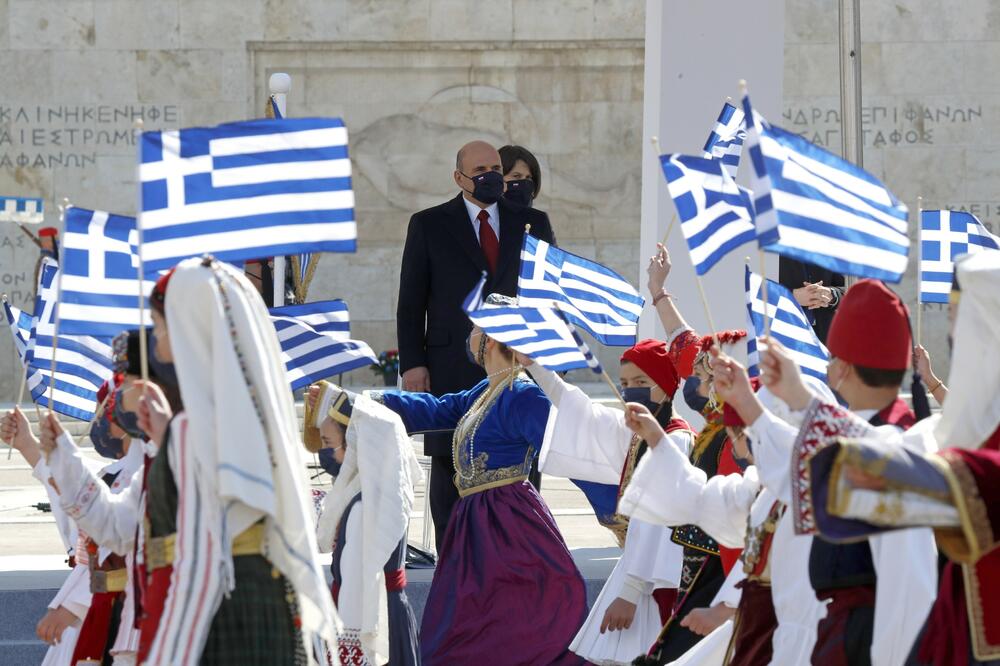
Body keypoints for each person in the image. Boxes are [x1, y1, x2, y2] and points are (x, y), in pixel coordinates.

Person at [33, 258, 339, 663]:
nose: (155, 345)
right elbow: (122, 528)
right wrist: (63, 460)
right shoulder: (203, 428)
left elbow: (199, 565)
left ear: (192, 333)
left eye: (162, 328)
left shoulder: (206, 431)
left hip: (223, 629)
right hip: (221, 619)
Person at [771, 250, 1000, 665]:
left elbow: (886, 473)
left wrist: (808, 405)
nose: (953, 338)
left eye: (956, 322)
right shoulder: (948, 432)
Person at [716, 279, 939, 666]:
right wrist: (748, 405)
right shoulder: (867, 441)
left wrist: (798, 398)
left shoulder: (905, 442)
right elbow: (806, 467)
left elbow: (858, 458)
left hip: (868, 647)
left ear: (840, 369)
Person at [375, 294, 587, 663]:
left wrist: (613, 504)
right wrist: (369, 403)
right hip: (472, 527)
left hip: (511, 529)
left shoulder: (522, 395)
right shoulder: (485, 391)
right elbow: (436, 409)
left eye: (475, 327)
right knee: (462, 628)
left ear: (493, 335)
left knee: (506, 626)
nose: (470, 334)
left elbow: (566, 452)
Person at [396, 140, 555, 550]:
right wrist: (413, 363)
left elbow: (549, 296)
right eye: (480, 169)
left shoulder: (532, 222)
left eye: (496, 168)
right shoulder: (429, 224)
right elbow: (411, 301)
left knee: (520, 459)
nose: (492, 176)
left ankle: (521, 552)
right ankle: (453, 556)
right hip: (450, 364)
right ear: (459, 177)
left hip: (515, 364)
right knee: (452, 460)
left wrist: (549, 356)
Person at [619, 378, 832, 666]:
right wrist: (656, 437)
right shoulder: (762, 488)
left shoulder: (814, 497)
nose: (738, 449)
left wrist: (725, 610)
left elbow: (787, 584)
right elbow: (701, 498)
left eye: (740, 435)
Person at [527, 338, 694, 665]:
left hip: (655, 578)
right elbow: (580, 410)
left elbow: (656, 521)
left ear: (666, 384)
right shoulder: (636, 432)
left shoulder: (676, 439)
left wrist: (630, 593)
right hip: (637, 565)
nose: (631, 391)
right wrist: (533, 362)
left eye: (642, 382)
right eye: (626, 384)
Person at [305, 380, 422, 665]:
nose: (330, 456)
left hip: (368, 616)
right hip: (392, 612)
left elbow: (356, 586)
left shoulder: (361, 508)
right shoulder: (385, 497)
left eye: (331, 445)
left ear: (358, 445)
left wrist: (347, 647)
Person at [778, 257, 845, 343]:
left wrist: (831, 294)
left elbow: (848, 289)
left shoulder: (831, 247)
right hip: (782, 332)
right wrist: (791, 296)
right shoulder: (768, 247)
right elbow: (758, 288)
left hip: (825, 337)